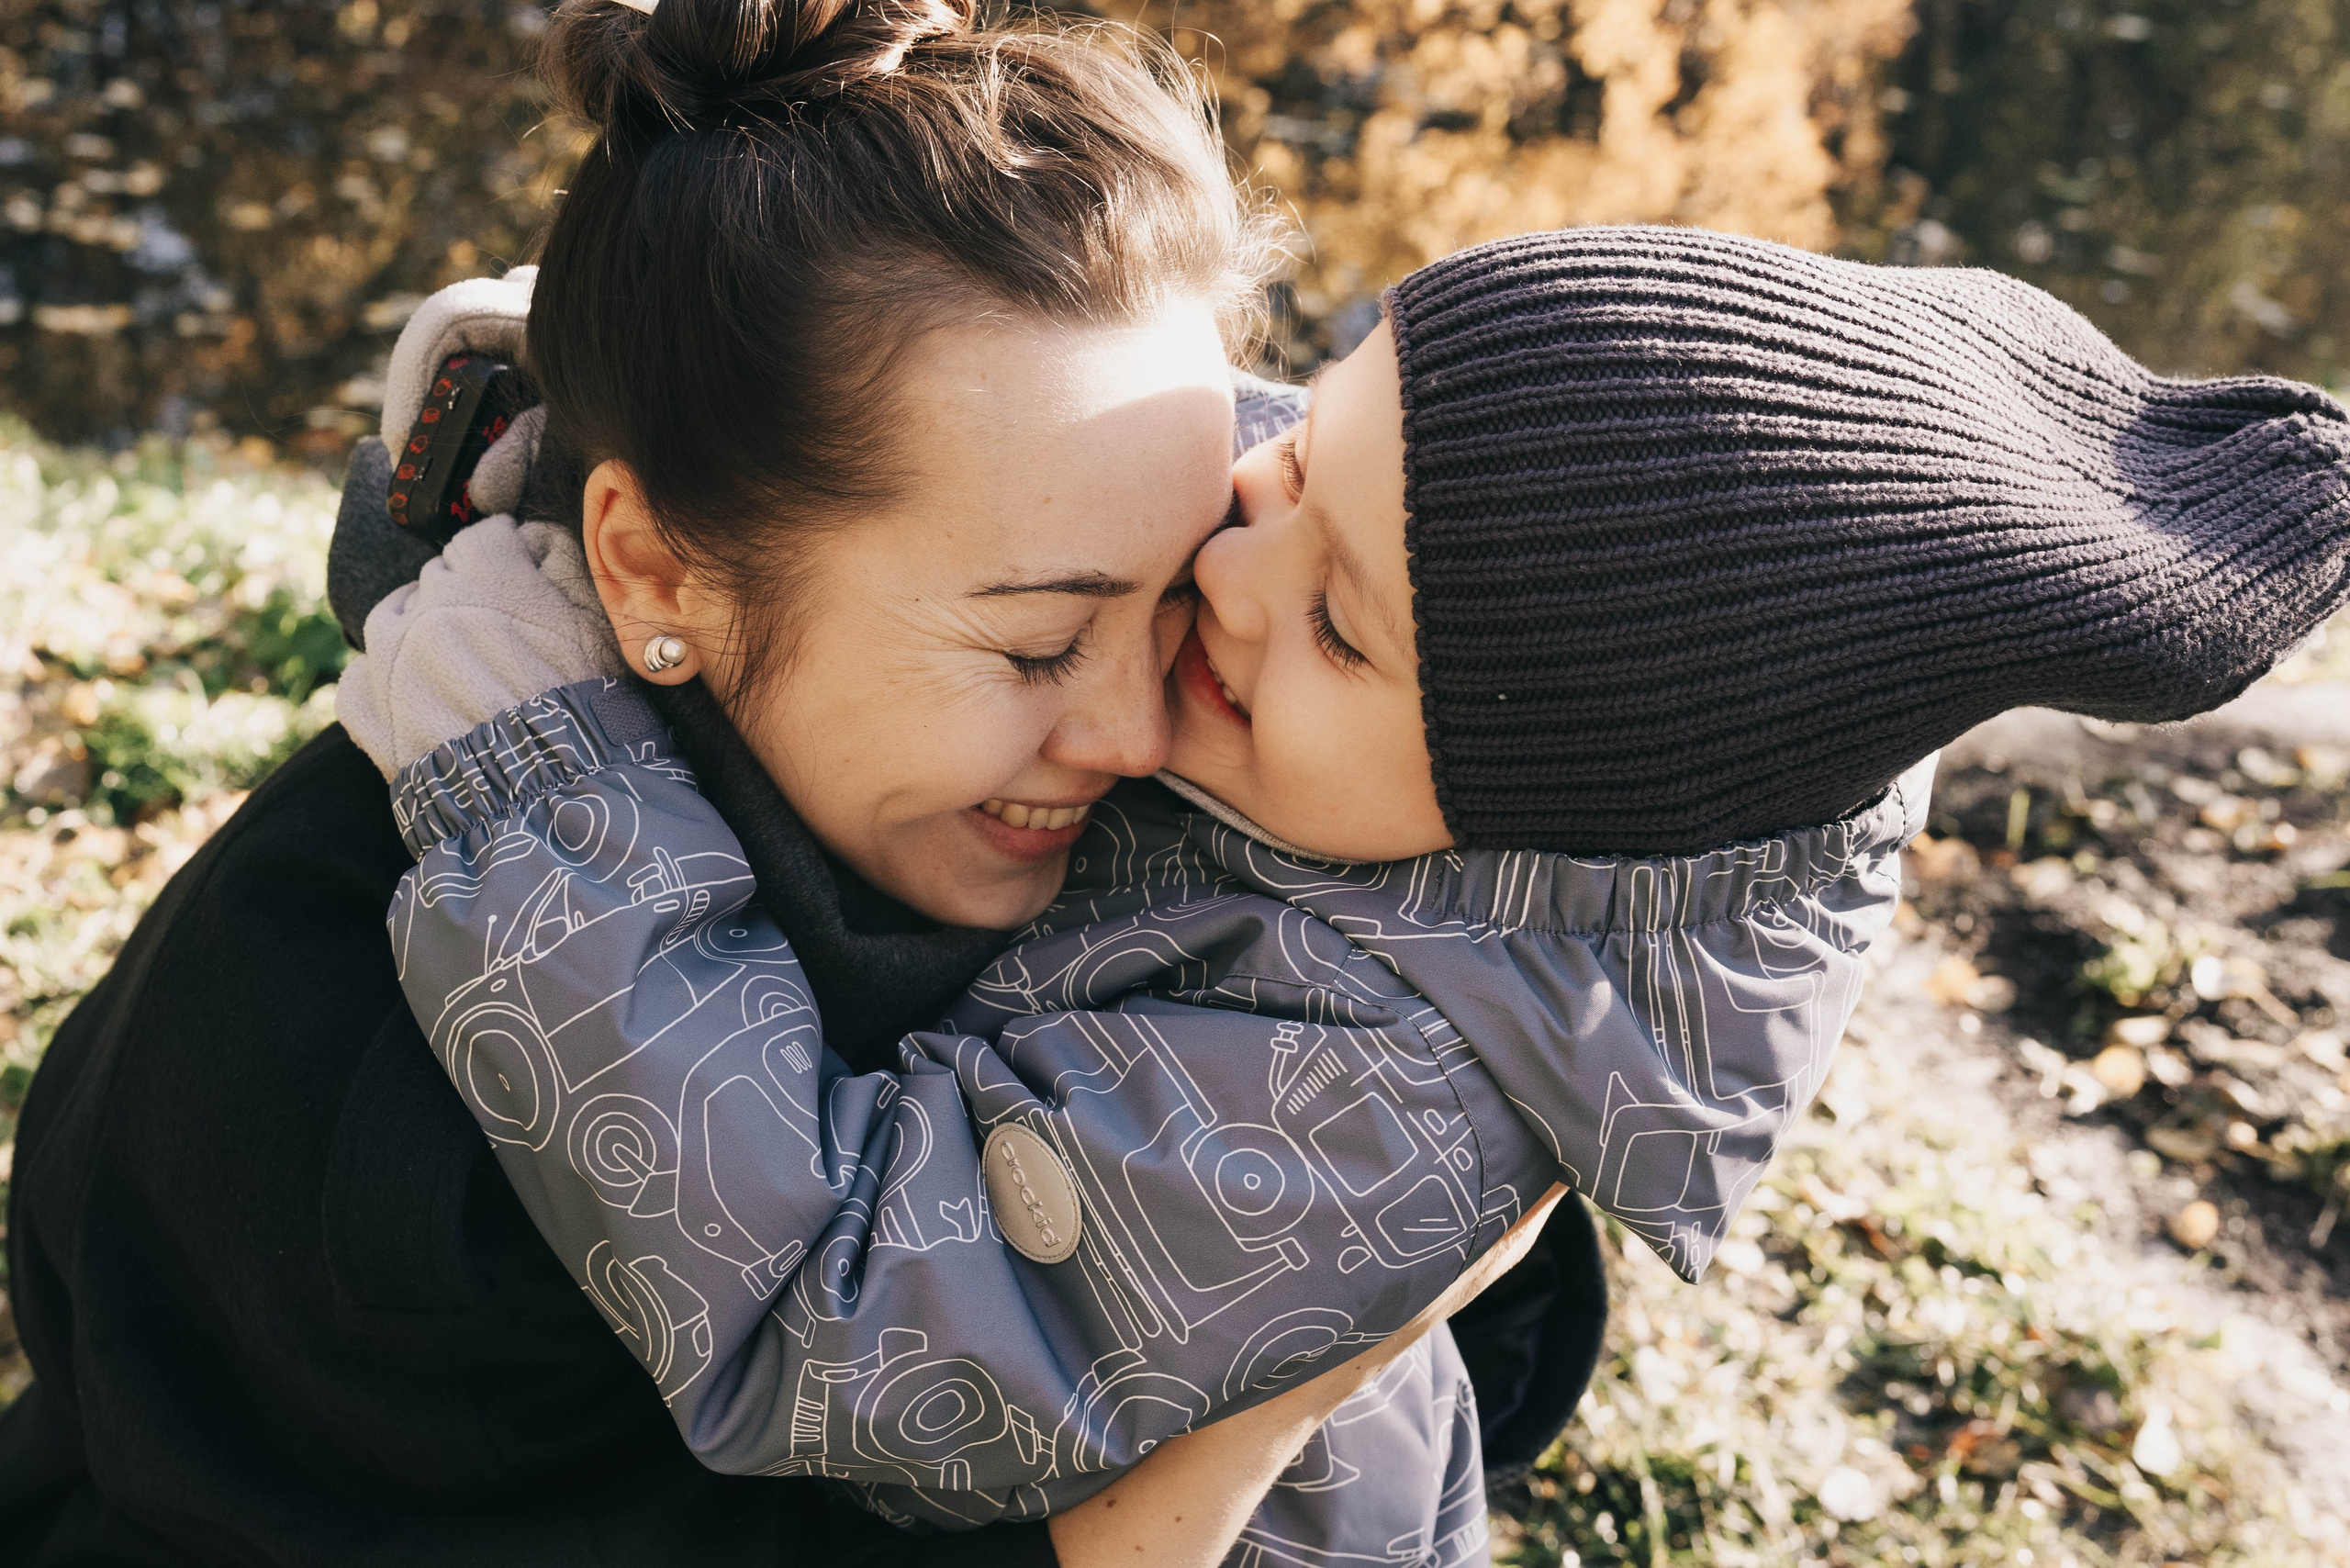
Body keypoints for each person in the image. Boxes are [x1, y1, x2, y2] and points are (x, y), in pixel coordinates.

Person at [348, 220, 2350, 1548]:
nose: (1223, 563)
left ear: (1528, 799)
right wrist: (797, 402)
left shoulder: (1374, 1097)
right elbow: (1275, 469)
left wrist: (550, 793)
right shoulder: (1417, 606)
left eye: (1334, 624)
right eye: (1307, 458)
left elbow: (843, 1300)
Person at [0, 4, 1586, 1565]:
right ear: (651, 570)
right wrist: (1262, 1415)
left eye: (1182, 591)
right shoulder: (399, 1137)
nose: (1140, 729)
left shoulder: (933, 774)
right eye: (1038, 648)